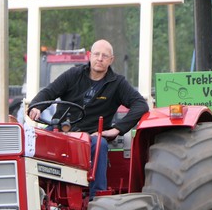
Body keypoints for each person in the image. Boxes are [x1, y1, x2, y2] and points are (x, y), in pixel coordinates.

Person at [27, 39, 149, 198]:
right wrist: (36, 107)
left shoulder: (117, 83)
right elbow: (49, 92)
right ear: (90, 55)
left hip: (91, 135)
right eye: (97, 54)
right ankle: (34, 193)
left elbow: (140, 105)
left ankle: (97, 197)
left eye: (105, 56)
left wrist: (116, 129)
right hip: (62, 131)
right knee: (32, 140)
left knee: (100, 144)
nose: (100, 58)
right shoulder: (73, 74)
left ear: (111, 60)